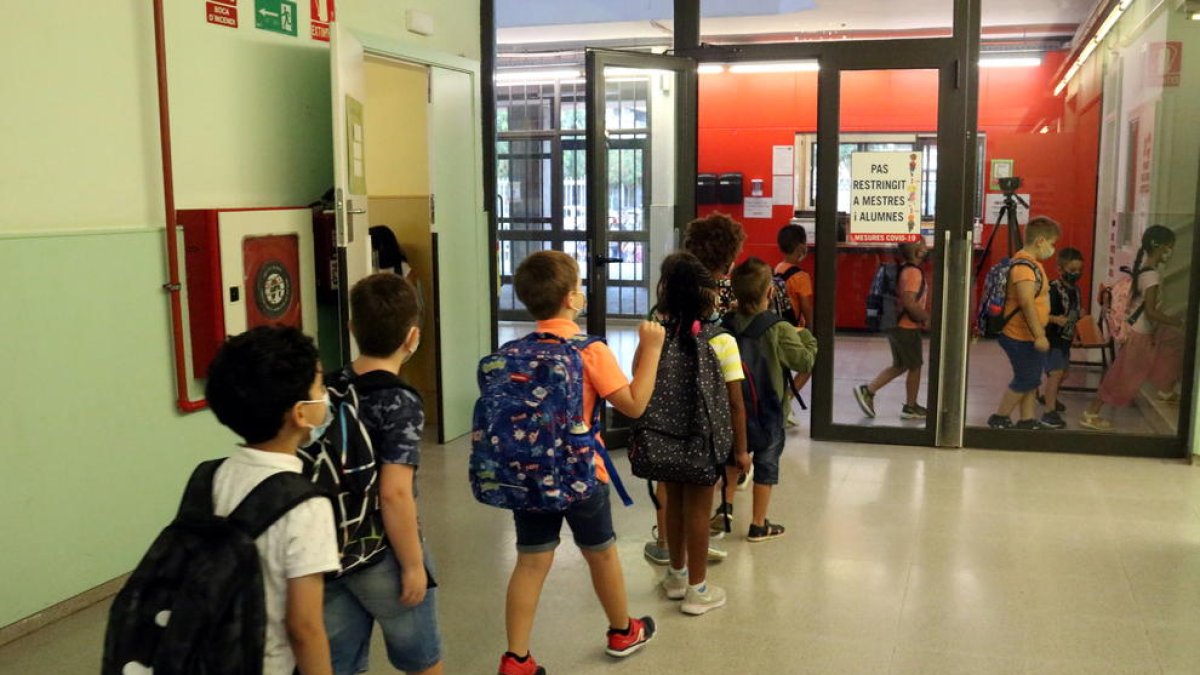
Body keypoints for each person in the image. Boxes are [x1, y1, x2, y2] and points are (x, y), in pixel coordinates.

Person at [499, 251, 665, 675]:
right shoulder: (589, 351)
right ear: (572, 298)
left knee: (531, 561)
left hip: (530, 475)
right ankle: (622, 630)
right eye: (579, 286)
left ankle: (516, 658)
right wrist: (651, 349)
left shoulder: (513, 350)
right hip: (582, 474)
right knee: (602, 554)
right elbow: (633, 406)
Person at [319, 273, 444, 675]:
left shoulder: (328, 388)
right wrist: (411, 564)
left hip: (329, 548)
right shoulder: (400, 401)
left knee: (339, 661)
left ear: (353, 329)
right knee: (422, 660)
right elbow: (394, 493)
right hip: (382, 552)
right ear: (413, 337)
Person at [205, 326, 341, 675]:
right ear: (300, 413)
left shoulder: (209, 477)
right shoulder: (306, 505)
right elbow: (304, 628)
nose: (325, 396)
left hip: (209, 655)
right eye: (320, 387)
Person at [651, 252, 750, 614]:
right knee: (698, 509)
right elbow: (737, 403)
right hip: (704, 442)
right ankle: (698, 588)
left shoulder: (656, 335)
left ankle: (676, 576)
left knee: (673, 503)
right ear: (706, 298)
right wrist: (742, 451)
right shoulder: (722, 341)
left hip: (664, 437)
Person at [725, 258, 818, 542]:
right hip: (769, 411)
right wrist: (808, 338)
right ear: (770, 292)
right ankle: (758, 524)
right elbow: (804, 360)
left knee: (731, 460)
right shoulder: (779, 328)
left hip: (732, 407)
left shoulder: (726, 323)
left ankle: (725, 510)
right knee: (766, 464)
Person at [1082, 226, 1184, 430]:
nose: (1171, 252)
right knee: (1123, 376)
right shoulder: (1152, 277)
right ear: (1160, 247)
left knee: (1174, 343)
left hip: (1145, 331)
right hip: (1140, 334)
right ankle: (1091, 412)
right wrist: (1176, 321)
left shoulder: (1144, 271)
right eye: (1169, 247)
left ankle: (1166, 388)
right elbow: (1151, 312)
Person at [986, 216, 1061, 429]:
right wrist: (1040, 335)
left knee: (1030, 378)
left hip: (1027, 335)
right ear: (1040, 241)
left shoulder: (1031, 264)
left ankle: (1027, 419)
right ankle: (1000, 417)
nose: (1052, 249)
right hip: (1019, 335)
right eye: (1052, 243)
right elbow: (1027, 303)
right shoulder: (1024, 268)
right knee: (1026, 378)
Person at [854, 240, 931, 421]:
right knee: (915, 365)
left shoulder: (903, 269)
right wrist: (925, 317)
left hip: (895, 324)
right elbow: (909, 301)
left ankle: (869, 390)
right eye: (924, 246)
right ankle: (910, 407)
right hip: (907, 326)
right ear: (918, 252)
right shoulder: (913, 273)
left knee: (901, 364)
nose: (927, 249)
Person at [1039, 248, 1084, 429]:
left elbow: (1073, 314)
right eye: (1072, 270)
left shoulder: (1075, 290)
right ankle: (1049, 411)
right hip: (1051, 338)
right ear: (1060, 269)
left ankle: (1048, 397)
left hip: (1065, 338)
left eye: (1079, 271)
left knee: (1063, 373)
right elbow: (1040, 314)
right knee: (1055, 373)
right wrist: (1055, 319)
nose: (1076, 274)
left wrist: (1078, 327)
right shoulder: (1053, 289)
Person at [775, 223, 816, 405]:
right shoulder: (801, 276)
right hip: (794, 329)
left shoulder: (778, 268)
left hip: (778, 325)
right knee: (809, 363)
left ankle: (784, 399)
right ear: (801, 246)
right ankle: (788, 401)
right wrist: (813, 331)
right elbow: (806, 308)